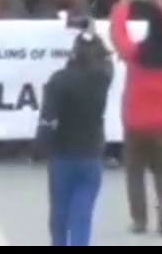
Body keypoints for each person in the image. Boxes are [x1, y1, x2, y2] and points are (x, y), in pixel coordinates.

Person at [110, 0, 162, 235]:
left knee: (134, 172)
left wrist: (122, 7)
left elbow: (118, 34)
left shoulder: (135, 54)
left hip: (135, 121)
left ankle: (139, 219)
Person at [37, 29, 113, 246]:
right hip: (90, 152)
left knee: (59, 208)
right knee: (83, 209)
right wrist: (96, 37)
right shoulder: (102, 79)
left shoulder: (59, 81)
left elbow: (47, 116)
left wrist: (41, 144)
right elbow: (108, 60)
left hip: (62, 152)